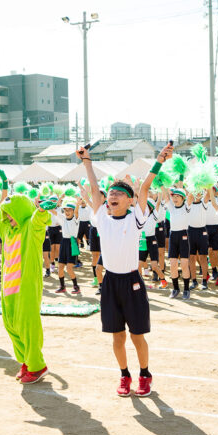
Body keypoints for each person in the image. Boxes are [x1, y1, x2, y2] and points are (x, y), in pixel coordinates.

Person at [80, 141, 173, 397]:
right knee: (117, 336)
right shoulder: (101, 217)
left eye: (119, 193)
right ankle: (124, 375)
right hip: (110, 283)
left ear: (130, 200)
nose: (112, 196)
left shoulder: (136, 217)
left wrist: (159, 161)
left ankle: (144, 373)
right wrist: (87, 161)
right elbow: (95, 188)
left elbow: (144, 187)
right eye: (111, 194)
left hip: (132, 281)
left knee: (137, 336)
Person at [0, 191, 52, 384]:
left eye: (10, 213)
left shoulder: (30, 226)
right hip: (9, 287)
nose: (7, 216)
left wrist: (43, 211)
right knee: (11, 324)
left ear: (20, 212)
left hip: (27, 286)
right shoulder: (6, 227)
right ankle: (26, 361)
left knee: (28, 325)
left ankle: (37, 366)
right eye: (6, 213)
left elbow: (40, 220)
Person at [163, 187, 191, 299]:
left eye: (177, 196)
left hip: (184, 235)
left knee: (184, 264)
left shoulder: (186, 206)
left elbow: (190, 197)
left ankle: (187, 289)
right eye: (173, 196)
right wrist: (161, 184)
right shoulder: (171, 207)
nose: (175, 198)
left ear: (183, 198)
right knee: (173, 263)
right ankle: (175, 289)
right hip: (173, 235)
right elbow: (165, 195)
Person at [50, 199, 81, 295]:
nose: (67, 212)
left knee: (69, 268)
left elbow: (76, 212)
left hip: (72, 243)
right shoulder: (63, 218)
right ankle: (62, 286)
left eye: (69, 210)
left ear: (73, 211)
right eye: (66, 210)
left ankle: (76, 286)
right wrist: (45, 205)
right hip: (64, 242)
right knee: (60, 267)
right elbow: (53, 211)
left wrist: (77, 205)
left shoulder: (76, 218)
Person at [186, 190, 210, 290]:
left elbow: (208, 194)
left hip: (202, 232)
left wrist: (206, 186)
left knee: (203, 257)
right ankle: (194, 281)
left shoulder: (204, 203)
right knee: (191, 258)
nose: (197, 194)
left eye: (199, 193)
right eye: (196, 192)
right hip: (191, 231)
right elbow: (188, 193)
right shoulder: (188, 203)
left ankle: (204, 281)